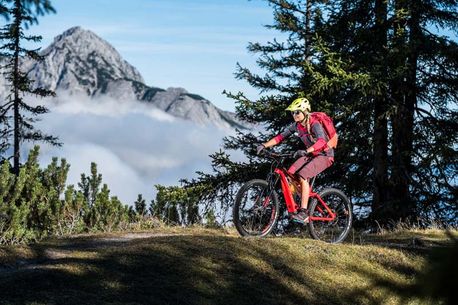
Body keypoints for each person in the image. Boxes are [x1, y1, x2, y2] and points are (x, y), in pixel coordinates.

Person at [256, 97, 334, 224]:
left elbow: (322, 141)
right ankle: (302, 198)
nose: (294, 115)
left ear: (305, 112)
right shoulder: (297, 126)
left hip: (325, 155)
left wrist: (307, 151)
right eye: (292, 112)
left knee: (303, 176)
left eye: (297, 112)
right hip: (311, 154)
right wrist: (265, 145)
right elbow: (280, 137)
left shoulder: (314, 124)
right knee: (291, 173)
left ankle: (303, 211)